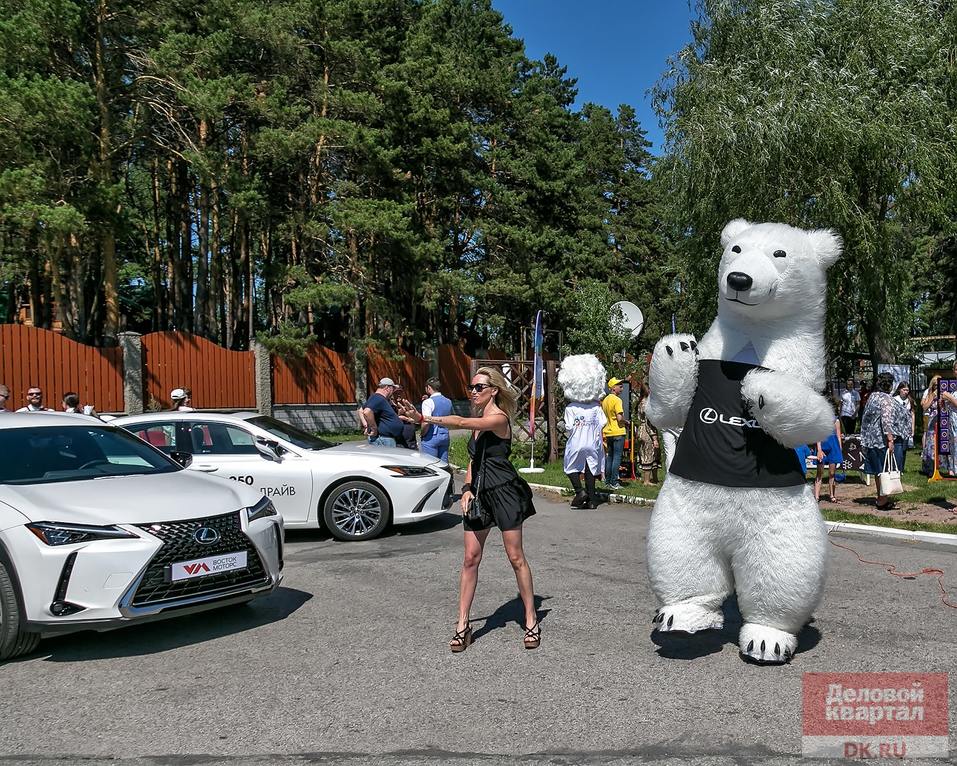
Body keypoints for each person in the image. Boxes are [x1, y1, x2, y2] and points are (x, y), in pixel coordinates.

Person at [422, 367, 539, 653]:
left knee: (515, 557)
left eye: (479, 387)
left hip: (505, 492)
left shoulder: (498, 418)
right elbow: (475, 462)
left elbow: (461, 422)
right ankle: (463, 624)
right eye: (471, 387)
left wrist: (426, 418)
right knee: (470, 558)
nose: (473, 392)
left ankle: (531, 618)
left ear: (494, 390)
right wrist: (467, 489)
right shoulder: (479, 422)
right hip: (480, 495)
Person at [558, 355, 607, 510]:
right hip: (593, 443)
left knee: (570, 467)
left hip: (576, 442)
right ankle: (592, 500)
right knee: (591, 469)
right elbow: (602, 424)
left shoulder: (571, 408)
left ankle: (580, 492)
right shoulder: (596, 407)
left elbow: (569, 427)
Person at [859, 372, 896, 510]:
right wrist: (890, 439)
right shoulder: (886, 399)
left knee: (877, 471)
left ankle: (881, 497)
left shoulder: (872, 396)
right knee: (884, 470)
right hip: (880, 440)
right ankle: (882, 500)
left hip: (869, 439)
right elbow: (886, 421)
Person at [601, 377, 629, 490]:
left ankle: (607, 481)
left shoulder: (605, 400)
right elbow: (619, 418)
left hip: (608, 432)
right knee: (617, 457)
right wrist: (626, 422)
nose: (622, 388)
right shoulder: (617, 400)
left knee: (610, 457)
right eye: (620, 386)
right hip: (618, 431)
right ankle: (614, 482)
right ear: (613, 388)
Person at [361, 378, 405, 448]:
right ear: (387, 388)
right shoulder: (378, 398)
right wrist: (373, 428)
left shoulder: (376, 397)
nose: (393, 391)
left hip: (384, 439)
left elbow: (361, 410)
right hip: (383, 440)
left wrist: (366, 425)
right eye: (393, 389)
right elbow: (367, 412)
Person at [814, 398, 844, 502]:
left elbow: (838, 435)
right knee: (820, 472)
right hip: (822, 447)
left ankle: (832, 495)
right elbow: (817, 435)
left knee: (832, 473)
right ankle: (817, 496)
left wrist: (839, 449)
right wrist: (819, 449)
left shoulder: (836, 420)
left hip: (834, 448)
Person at [419, 377, 452, 461]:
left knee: (430, 464)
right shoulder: (448, 401)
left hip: (431, 436)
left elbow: (426, 422)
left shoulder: (427, 402)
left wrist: (422, 434)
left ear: (429, 387)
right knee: (443, 464)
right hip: (444, 435)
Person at [635, 383, 660, 485]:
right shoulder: (647, 404)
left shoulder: (640, 402)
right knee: (649, 454)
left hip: (641, 429)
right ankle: (646, 480)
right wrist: (654, 438)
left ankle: (653, 478)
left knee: (648, 453)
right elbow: (649, 422)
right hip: (647, 431)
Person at [891, 382, 915, 472]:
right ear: (899, 390)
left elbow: (912, 414)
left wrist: (912, 427)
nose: (905, 392)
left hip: (906, 427)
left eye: (907, 390)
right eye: (904, 390)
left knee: (904, 448)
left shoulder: (910, 400)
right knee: (898, 447)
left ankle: (901, 468)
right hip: (897, 427)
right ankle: (896, 468)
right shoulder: (894, 400)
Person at [920, 375, 941, 476]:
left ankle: (941, 467)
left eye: (939, 385)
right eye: (935, 385)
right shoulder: (929, 393)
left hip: (943, 419)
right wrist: (932, 397)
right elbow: (924, 407)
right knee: (931, 444)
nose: (937, 387)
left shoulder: (945, 393)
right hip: (932, 419)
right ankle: (930, 468)